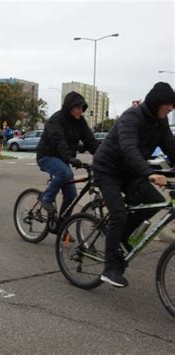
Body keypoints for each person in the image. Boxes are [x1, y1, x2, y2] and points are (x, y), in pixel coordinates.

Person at [93, 82, 175, 288]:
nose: (169, 111)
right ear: (157, 103)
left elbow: (171, 147)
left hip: (131, 172)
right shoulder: (132, 117)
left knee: (155, 201)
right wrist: (149, 174)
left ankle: (122, 237)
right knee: (119, 213)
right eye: (167, 108)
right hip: (108, 169)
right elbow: (128, 148)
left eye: (171, 109)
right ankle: (110, 268)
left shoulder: (160, 121)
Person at [36, 92, 99, 215]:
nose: (80, 111)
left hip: (63, 159)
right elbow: (59, 140)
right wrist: (70, 157)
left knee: (71, 196)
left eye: (82, 108)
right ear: (69, 107)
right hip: (47, 156)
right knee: (65, 173)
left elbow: (90, 141)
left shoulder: (80, 122)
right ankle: (46, 198)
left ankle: (62, 227)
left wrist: (104, 155)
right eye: (77, 108)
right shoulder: (56, 119)